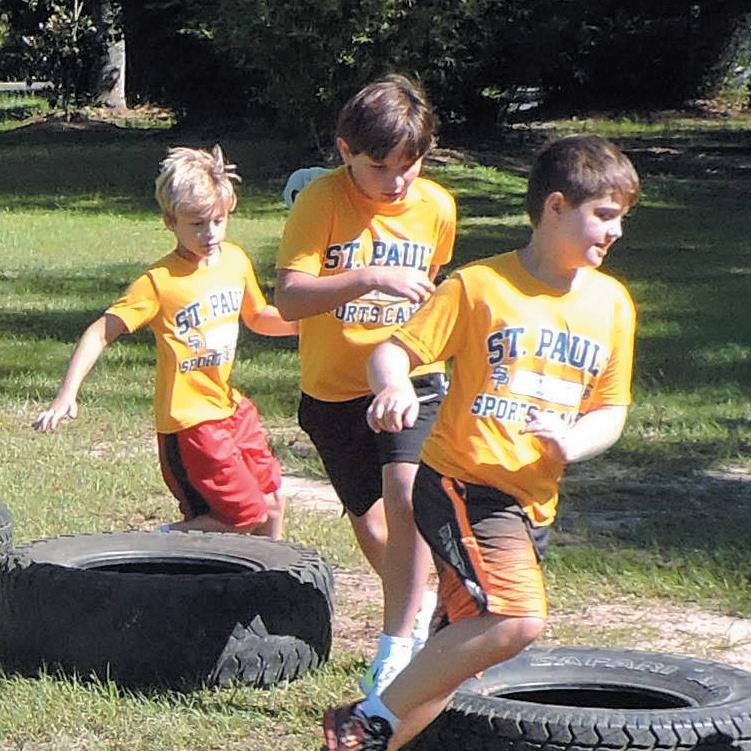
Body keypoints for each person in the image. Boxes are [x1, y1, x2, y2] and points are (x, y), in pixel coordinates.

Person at [322, 133, 641, 750]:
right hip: (464, 485)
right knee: (517, 619)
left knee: (458, 650)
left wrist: (573, 443)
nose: (616, 231)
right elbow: (393, 351)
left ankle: (378, 739)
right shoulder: (479, 287)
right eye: (605, 215)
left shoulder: (612, 305)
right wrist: (395, 387)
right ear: (555, 207)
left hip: (531, 502)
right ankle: (364, 722)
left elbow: (611, 408)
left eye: (621, 218)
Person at [275, 74, 456, 695]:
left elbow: (431, 291)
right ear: (345, 150)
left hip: (412, 376)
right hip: (333, 390)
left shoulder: (437, 207)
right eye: (381, 166)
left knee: (407, 494)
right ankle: (426, 613)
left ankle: (395, 648)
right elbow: (291, 299)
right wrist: (369, 276)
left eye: (411, 164)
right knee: (372, 521)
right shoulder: (321, 201)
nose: (397, 180)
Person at [33, 145, 297, 540]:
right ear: (170, 221)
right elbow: (100, 331)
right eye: (197, 224)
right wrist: (66, 395)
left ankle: (275, 576)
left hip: (230, 408)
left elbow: (259, 317)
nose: (210, 234)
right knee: (244, 515)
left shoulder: (235, 260)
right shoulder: (158, 282)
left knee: (273, 502)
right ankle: (151, 543)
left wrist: (307, 326)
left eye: (219, 220)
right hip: (189, 422)